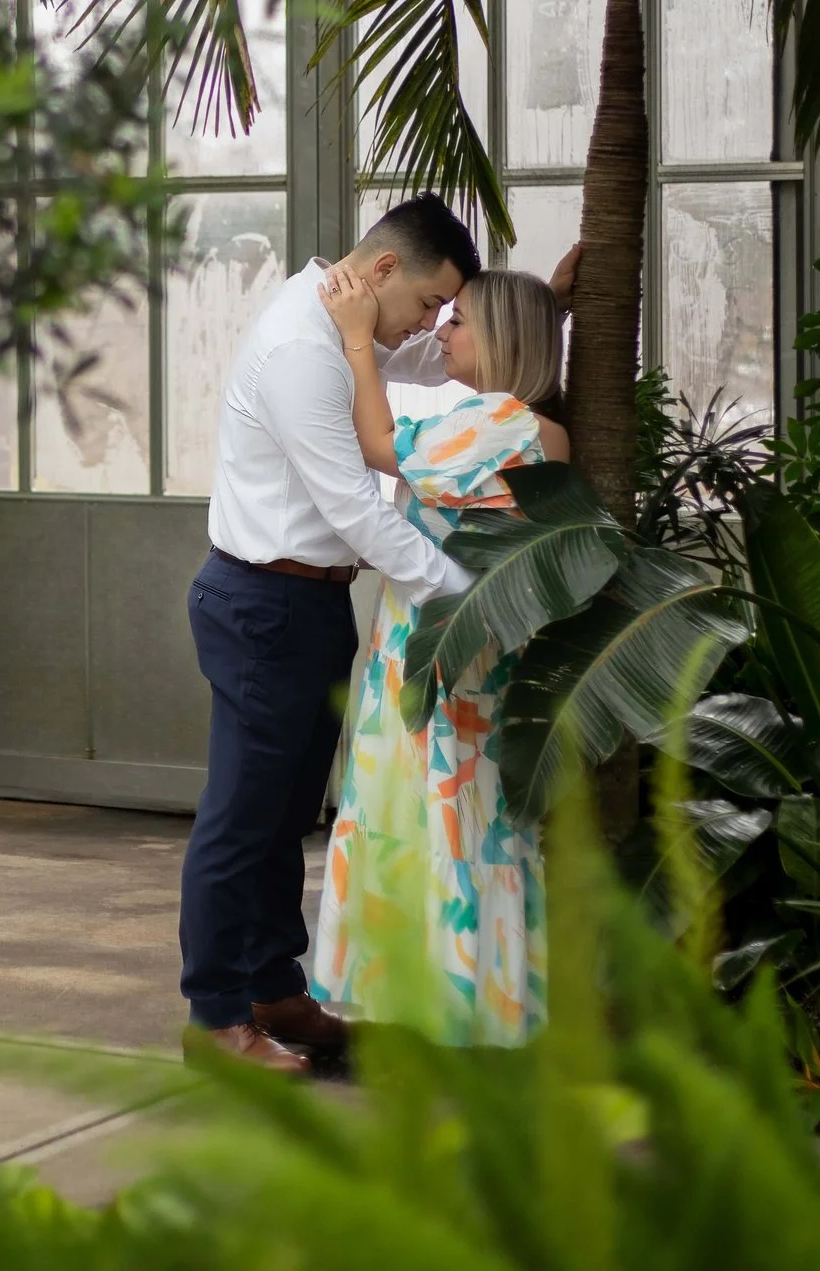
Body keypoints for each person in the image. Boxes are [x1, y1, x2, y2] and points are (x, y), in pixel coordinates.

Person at [179, 193, 488, 1076]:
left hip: (305, 605)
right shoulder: (300, 351)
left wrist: (547, 307)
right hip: (262, 604)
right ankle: (214, 1018)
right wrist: (460, 591)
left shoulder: (347, 326)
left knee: (285, 811)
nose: (433, 325)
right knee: (242, 817)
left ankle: (274, 989)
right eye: (431, 302)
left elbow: (422, 355)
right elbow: (353, 506)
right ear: (384, 270)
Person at [308, 263, 569, 1047]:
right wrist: (555, 297)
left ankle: (446, 1015)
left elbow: (377, 442)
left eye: (459, 322)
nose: (442, 332)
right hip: (480, 656)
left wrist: (358, 342)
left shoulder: (498, 421)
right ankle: (479, 1001)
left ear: (502, 341)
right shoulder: (536, 427)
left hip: (439, 661)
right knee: (476, 827)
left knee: (429, 822)